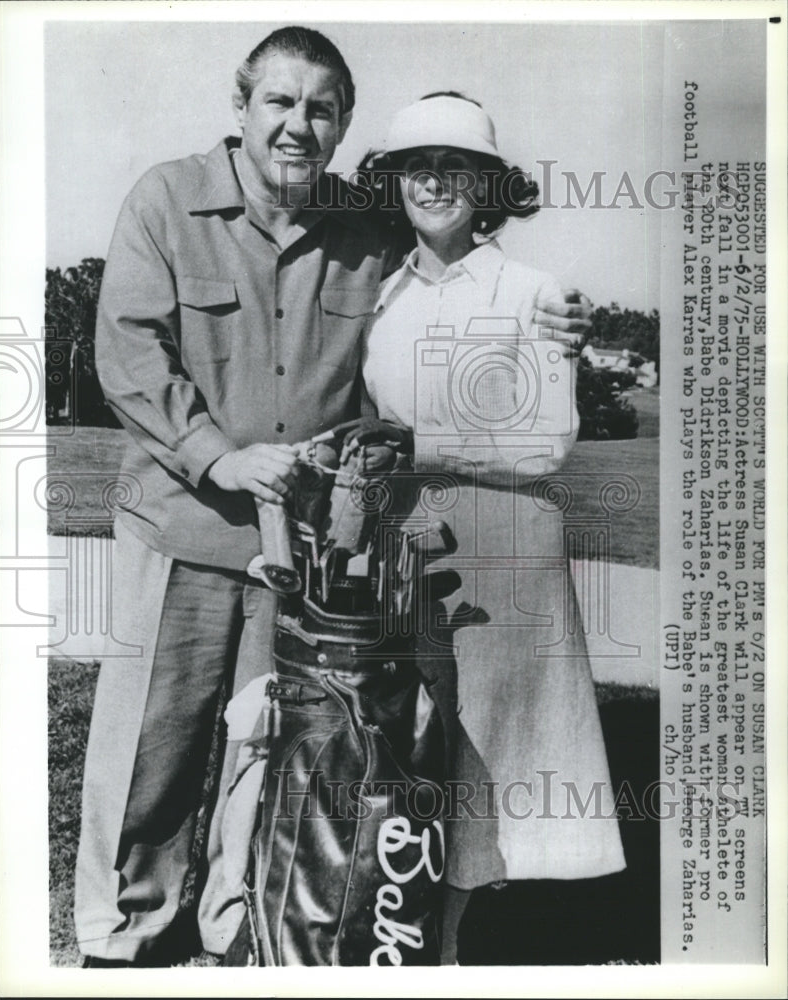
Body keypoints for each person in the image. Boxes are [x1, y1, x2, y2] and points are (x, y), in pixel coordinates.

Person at [75, 28, 593, 967]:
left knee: (270, 750)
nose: (297, 125)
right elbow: (127, 353)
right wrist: (216, 458)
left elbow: (460, 254)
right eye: (279, 102)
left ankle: (244, 926)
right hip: (185, 522)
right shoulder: (166, 198)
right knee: (153, 749)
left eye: (320, 109)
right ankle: (126, 936)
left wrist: (561, 317)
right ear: (241, 107)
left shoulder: (366, 229)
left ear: (343, 124)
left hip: (308, 551)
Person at [351, 93, 627, 963]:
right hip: (406, 534)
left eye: (454, 166)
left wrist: (415, 444)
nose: (433, 182)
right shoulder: (381, 294)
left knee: (487, 739)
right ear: (393, 183)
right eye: (414, 167)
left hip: (506, 543)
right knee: (415, 731)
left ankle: (451, 946)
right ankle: (402, 921)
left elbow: (545, 444)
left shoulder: (533, 292)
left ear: (488, 185)